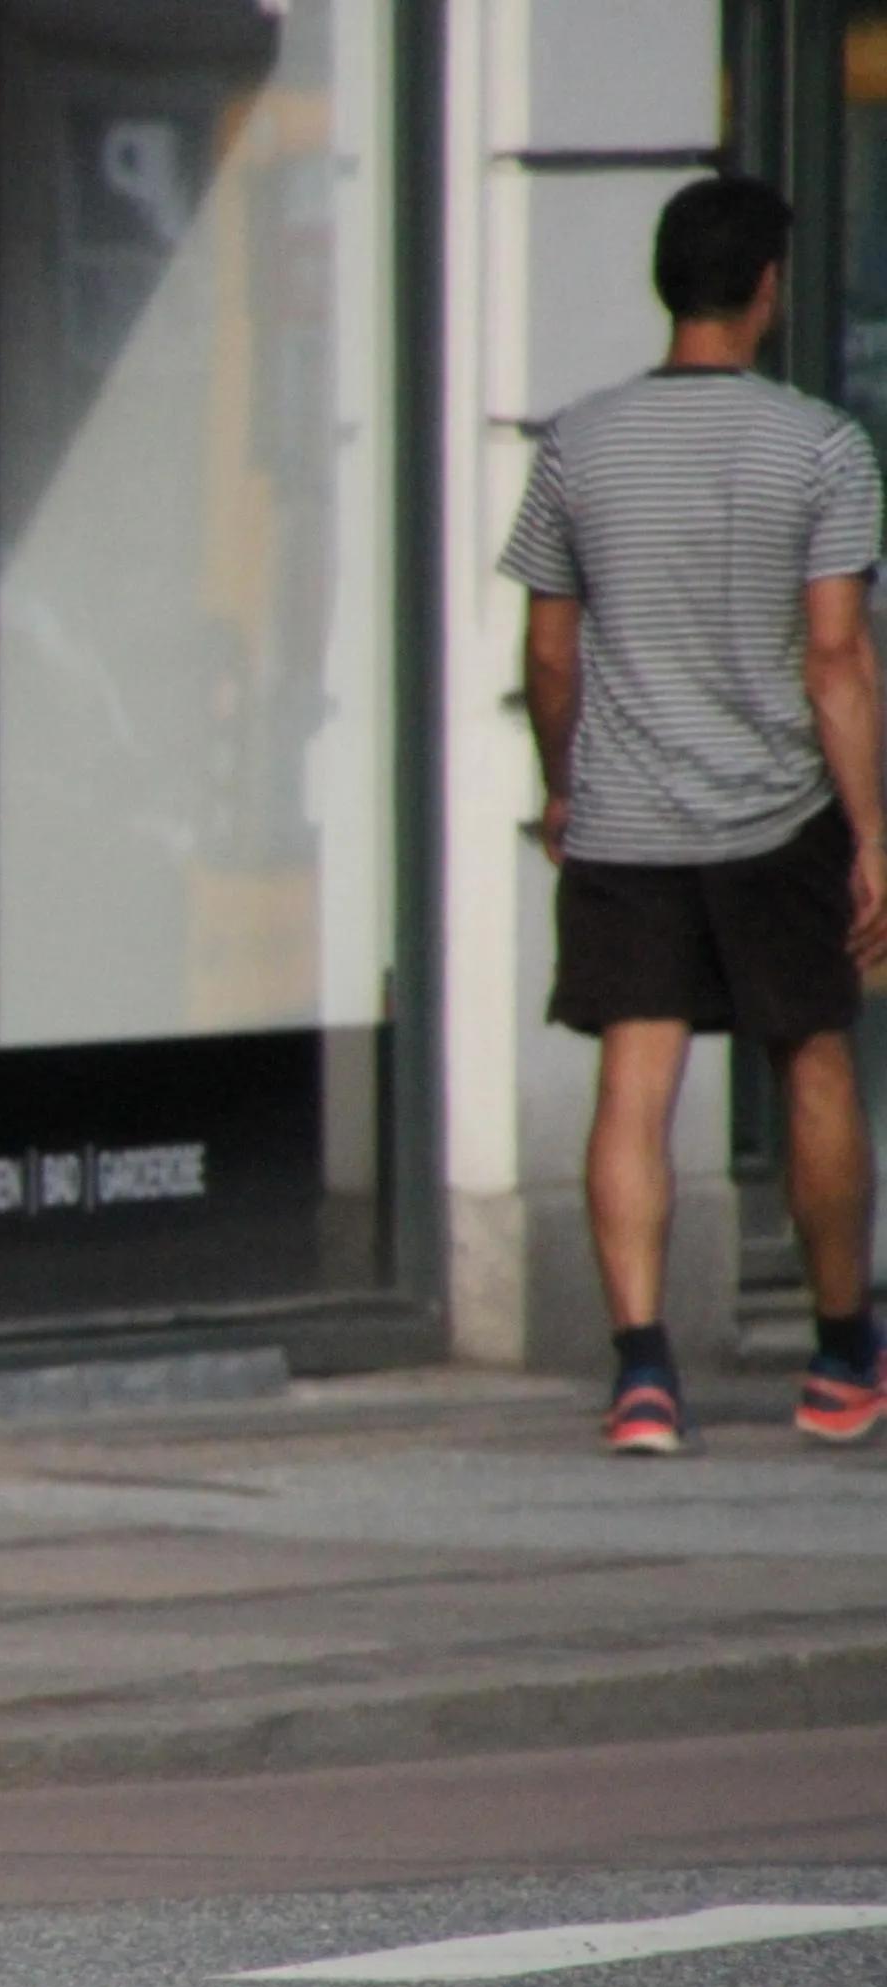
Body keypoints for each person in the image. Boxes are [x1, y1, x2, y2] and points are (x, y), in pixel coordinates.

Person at [500, 174, 887, 1455]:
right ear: (768, 287)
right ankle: (842, 1357)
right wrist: (874, 833)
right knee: (814, 1058)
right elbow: (837, 658)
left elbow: (548, 650)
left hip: (626, 817)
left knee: (636, 1074)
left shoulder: (577, 443)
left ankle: (642, 1377)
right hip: (781, 811)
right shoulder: (824, 447)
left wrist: (563, 781)